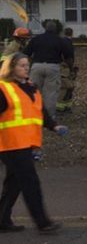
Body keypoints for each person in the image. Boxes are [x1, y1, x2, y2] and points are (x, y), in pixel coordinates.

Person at [0, 52, 67, 235]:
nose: (26, 68)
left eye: (27, 65)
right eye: (22, 65)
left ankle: (2, 220)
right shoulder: (3, 89)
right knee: (30, 183)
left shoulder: (31, 87)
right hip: (10, 144)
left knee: (14, 183)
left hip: (25, 143)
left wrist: (54, 126)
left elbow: (40, 112)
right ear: (11, 68)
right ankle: (43, 223)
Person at [24, 20, 73, 118]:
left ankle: (33, 114)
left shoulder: (36, 39)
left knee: (34, 91)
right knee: (50, 93)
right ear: (56, 29)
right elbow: (68, 57)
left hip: (36, 66)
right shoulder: (60, 40)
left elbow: (26, 53)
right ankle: (49, 117)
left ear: (45, 28)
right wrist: (70, 69)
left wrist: (32, 63)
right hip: (53, 67)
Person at [56, 28, 78, 113]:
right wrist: (72, 69)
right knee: (67, 87)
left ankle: (65, 106)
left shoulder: (61, 41)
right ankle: (60, 107)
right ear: (72, 34)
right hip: (65, 67)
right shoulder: (68, 43)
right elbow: (69, 57)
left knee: (68, 87)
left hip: (61, 66)